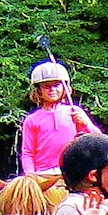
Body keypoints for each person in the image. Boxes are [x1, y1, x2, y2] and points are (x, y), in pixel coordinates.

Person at [17, 57, 101, 185]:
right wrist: (30, 174)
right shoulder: (32, 120)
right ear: (38, 90)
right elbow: (28, 152)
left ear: (65, 87)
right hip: (43, 174)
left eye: (56, 85)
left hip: (72, 172)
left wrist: (86, 124)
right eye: (46, 86)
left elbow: (98, 140)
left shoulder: (74, 112)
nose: (52, 90)